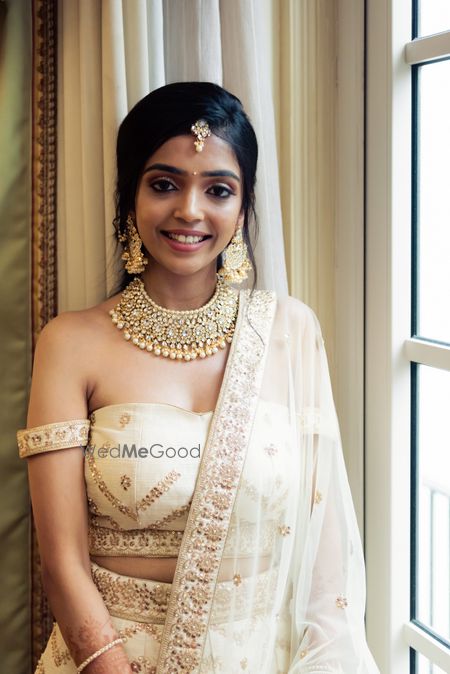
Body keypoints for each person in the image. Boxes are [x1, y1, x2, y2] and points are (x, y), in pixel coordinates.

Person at [17, 82, 379, 674]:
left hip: (263, 658)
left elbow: (325, 557)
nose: (190, 210)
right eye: (164, 184)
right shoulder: (71, 342)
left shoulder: (289, 332)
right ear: (129, 195)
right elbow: (62, 563)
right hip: (109, 657)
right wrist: (105, 663)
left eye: (218, 189)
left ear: (243, 207)